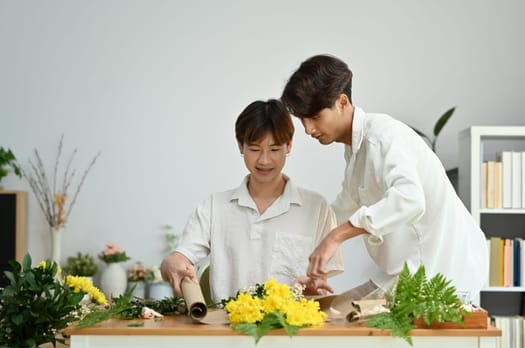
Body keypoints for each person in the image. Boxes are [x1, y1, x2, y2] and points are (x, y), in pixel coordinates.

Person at [280, 54, 488, 298]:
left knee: (341, 318)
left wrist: (336, 237)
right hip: (407, 271)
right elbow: (344, 206)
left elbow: (410, 200)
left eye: (315, 117)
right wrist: (313, 261)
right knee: (333, 310)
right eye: (303, 120)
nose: (308, 129)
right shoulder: (356, 151)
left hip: (440, 271)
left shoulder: (383, 137)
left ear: (342, 102)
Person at [160, 99, 344, 303]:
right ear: (241, 145)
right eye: (255, 149)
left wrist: (311, 290)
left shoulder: (316, 208)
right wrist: (171, 263)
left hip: (291, 329)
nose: (264, 160)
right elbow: (179, 258)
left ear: (289, 146)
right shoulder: (215, 207)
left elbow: (320, 284)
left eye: (274, 150)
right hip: (227, 328)